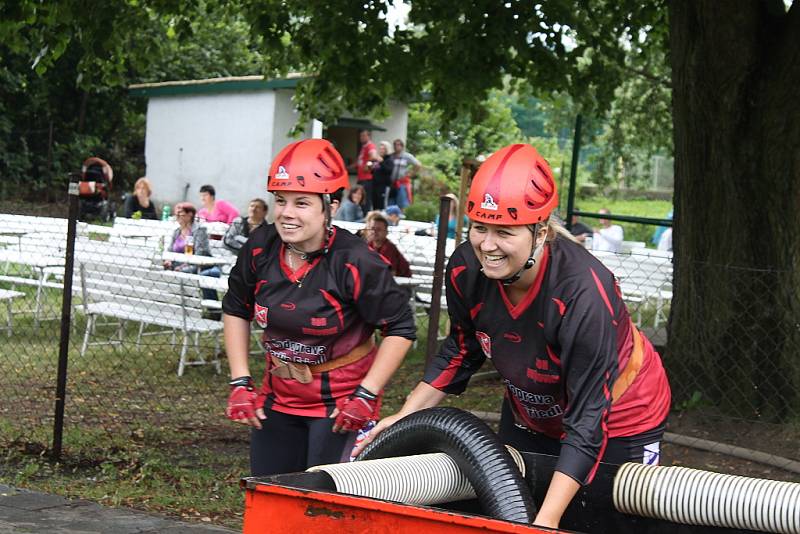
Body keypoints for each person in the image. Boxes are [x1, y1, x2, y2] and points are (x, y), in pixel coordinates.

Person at [356, 143, 671, 529]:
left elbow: (589, 421)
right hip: (532, 409)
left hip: (618, 414)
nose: (487, 246)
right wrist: (406, 416)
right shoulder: (465, 270)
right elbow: (460, 350)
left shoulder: (582, 293)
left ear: (540, 232)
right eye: (479, 228)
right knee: (507, 508)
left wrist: (546, 522)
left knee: (595, 520)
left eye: (504, 232)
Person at [222, 139, 416, 477]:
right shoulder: (260, 247)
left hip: (341, 406)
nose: (286, 213)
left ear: (331, 207)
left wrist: (366, 395)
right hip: (278, 397)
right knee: (271, 498)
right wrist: (240, 381)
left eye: (302, 203)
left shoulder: (356, 260)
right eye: (280, 201)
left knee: (323, 508)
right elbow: (236, 307)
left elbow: (401, 328)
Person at [164, 202, 221, 301]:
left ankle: (191, 304)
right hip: (177, 265)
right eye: (176, 214)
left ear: (190, 214)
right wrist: (168, 260)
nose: (177, 216)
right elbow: (170, 250)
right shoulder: (176, 232)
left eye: (180, 214)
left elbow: (200, 253)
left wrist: (182, 266)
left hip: (197, 266)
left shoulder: (199, 230)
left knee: (183, 272)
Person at [364, 212, 412, 277]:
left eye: (379, 229)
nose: (374, 232)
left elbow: (391, 273)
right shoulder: (368, 245)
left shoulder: (389, 248)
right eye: (372, 228)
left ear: (386, 232)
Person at [350, 130, 381, 212]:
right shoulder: (364, 147)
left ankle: (364, 218)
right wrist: (347, 167)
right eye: (360, 136)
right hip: (361, 178)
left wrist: (367, 166)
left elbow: (374, 157)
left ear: (369, 136)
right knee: (359, 198)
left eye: (364, 136)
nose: (361, 138)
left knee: (364, 200)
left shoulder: (370, 146)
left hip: (366, 179)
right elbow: (358, 162)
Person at [389, 139, 421, 209]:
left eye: (398, 145)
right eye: (395, 145)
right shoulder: (391, 156)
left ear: (402, 146)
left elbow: (418, 165)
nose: (396, 147)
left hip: (402, 183)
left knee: (402, 204)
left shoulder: (407, 156)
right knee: (391, 204)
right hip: (392, 183)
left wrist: (411, 174)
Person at [371, 141, 394, 211]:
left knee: (382, 204)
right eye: (380, 149)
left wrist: (382, 162)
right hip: (375, 185)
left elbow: (389, 170)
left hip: (384, 186)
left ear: (387, 150)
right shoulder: (378, 160)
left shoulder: (389, 159)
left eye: (383, 149)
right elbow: (374, 171)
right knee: (375, 203)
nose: (381, 150)